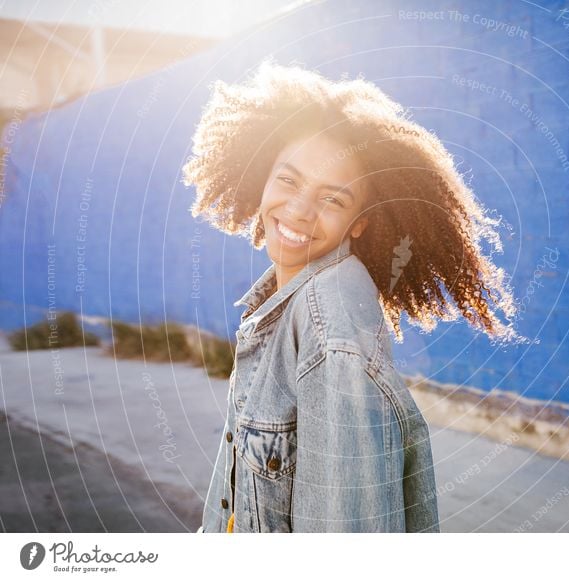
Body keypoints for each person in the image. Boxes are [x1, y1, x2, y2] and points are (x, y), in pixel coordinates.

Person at [182, 58, 523, 533]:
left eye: (333, 199)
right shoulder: (283, 304)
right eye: (288, 179)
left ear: (359, 223)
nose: (299, 210)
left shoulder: (332, 335)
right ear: (262, 175)